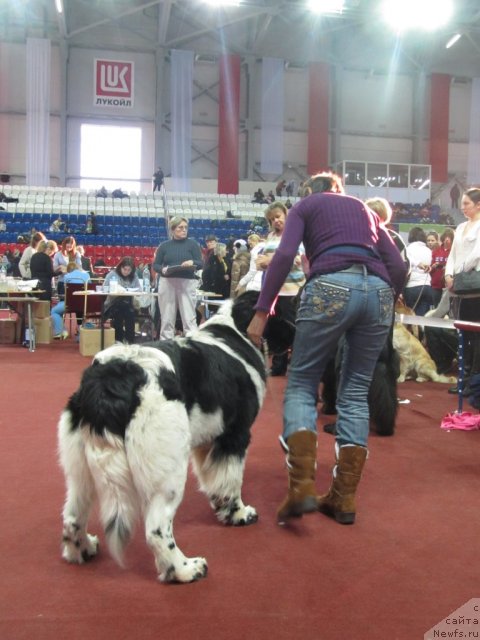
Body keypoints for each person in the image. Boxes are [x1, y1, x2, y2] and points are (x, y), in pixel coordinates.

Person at [247, 171, 407, 526]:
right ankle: (343, 498)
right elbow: (397, 264)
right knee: (354, 391)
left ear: (310, 192)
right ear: (339, 189)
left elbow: (285, 254)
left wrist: (262, 311)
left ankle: (301, 487)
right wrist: (384, 298)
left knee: (302, 384)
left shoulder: (305, 206)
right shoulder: (365, 210)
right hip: (378, 291)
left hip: (328, 287)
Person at [256, 201, 306, 376]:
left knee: (295, 331)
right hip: (273, 291)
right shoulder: (271, 237)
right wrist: (264, 262)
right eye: (271, 219)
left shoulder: (297, 236)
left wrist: (270, 260)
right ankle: (278, 366)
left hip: (292, 292)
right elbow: (263, 262)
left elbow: (296, 260)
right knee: (276, 332)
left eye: (278, 216)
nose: (275, 221)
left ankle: (299, 367)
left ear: (286, 215)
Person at [445, 187, 480, 395]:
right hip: (460, 289)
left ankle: (473, 381)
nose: (462, 207)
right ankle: (464, 378)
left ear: (478, 205)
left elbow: (476, 255)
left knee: (476, 338)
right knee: (463, 335)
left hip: (475, 288)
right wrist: (449, 275)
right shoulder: (459, 227)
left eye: (466, 203)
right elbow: (452, 254)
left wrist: (457, 275)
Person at [153, 216, 203, 340]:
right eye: (180, 227)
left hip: (188, 282)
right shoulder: (164, 246)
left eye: (186, 227)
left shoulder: (193, 245)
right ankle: (166, 345)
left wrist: (192, 262)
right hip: (167, 281)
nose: (184, 230)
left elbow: (201, 263)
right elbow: (156, 265)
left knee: (189, 317)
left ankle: (193, 345)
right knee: (167, 317)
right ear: (173, 229)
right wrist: (162, 269)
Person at [103, 256, 140, 344]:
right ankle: (118, 339)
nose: (126, 272)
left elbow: (139, 289)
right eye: (125, 269)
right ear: (120, 267)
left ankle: (129, 340)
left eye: (129, 270)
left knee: (130, 313)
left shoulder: (134, 276)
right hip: (113, 303)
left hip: (128, 304)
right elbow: (105, 288)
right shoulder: (112, 274)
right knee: (119, 312)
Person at [51, 260, 91, 339]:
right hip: (85, 304)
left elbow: (67, 291)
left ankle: (61, 331)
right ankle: (82, 333)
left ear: (68, 270)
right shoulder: (87, 275)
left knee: (54, 311)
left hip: (70, 304)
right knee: (83, 312)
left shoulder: (67, 276)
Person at [404, 227, 433, 316]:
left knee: (411, 318)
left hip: (412, 286)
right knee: (423, 318)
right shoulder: (428, 250)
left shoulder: (408, 249)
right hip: (427, 285)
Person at [430, 227, 454, 307]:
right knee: (436, 308)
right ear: (443, 238)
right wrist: (433, 266)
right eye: (446, 237)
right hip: (436, 285)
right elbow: (431, 267)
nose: (447, 239)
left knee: (448, 309)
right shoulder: (436, 250)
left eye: (449, 237)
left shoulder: (454, 251)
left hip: (449, 286)